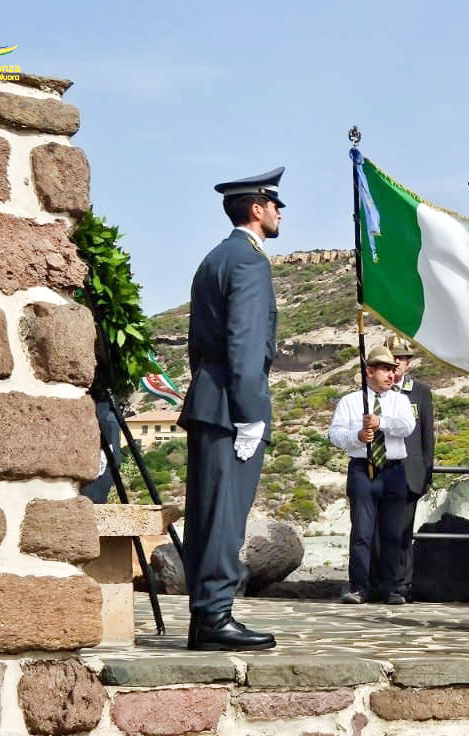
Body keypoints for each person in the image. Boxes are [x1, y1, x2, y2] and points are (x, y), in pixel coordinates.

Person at [179, 167, 285, 651]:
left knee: (207, 513)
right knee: (224, 514)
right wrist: (249, 412)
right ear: (257, 210)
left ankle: (205, 616)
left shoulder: (214, 259)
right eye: (275, 205)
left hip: (209, 395)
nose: (280, 213)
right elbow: (244, 343)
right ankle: (215, 616)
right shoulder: (248, 261)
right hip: (230, 403)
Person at [329, 344, 417, 604]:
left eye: (393, 370)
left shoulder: (400, 400)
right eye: (385, 370)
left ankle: (390, 587)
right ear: (369, 371)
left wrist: (382, 423)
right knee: (362, 532)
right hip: (363, 470)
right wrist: (356, 437)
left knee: (392, 532)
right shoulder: (350, 401)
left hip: (393, 470)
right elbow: (335, 435)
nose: (391, 375)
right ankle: (359, 586)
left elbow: (407, 426)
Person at [368, 336, 434, 602]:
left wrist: (427, 471)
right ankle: (374, 583)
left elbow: (428, 435)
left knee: (403, 532)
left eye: (402, 359)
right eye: (392, 358)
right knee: (373, 531)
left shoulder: (420, 392)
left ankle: (402, 585)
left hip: (409, 472)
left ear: (408, 363)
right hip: (379, 468)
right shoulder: (374, 393)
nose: (397, 364)